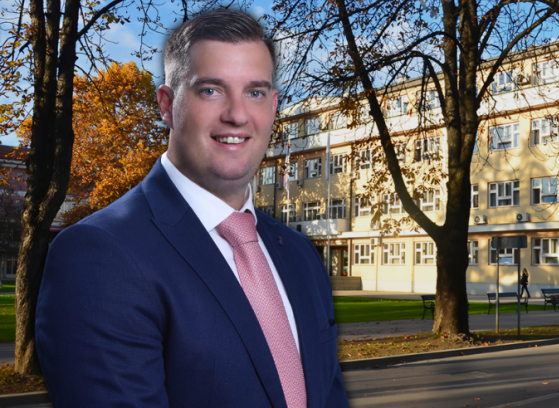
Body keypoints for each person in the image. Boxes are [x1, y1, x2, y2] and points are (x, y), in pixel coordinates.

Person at [35, 9, 349, 408]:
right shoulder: (99, 256)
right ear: (167, 105)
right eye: (211, 90)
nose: (237, 115)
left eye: (254, 93)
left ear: (273, 106)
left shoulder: (300, 255)